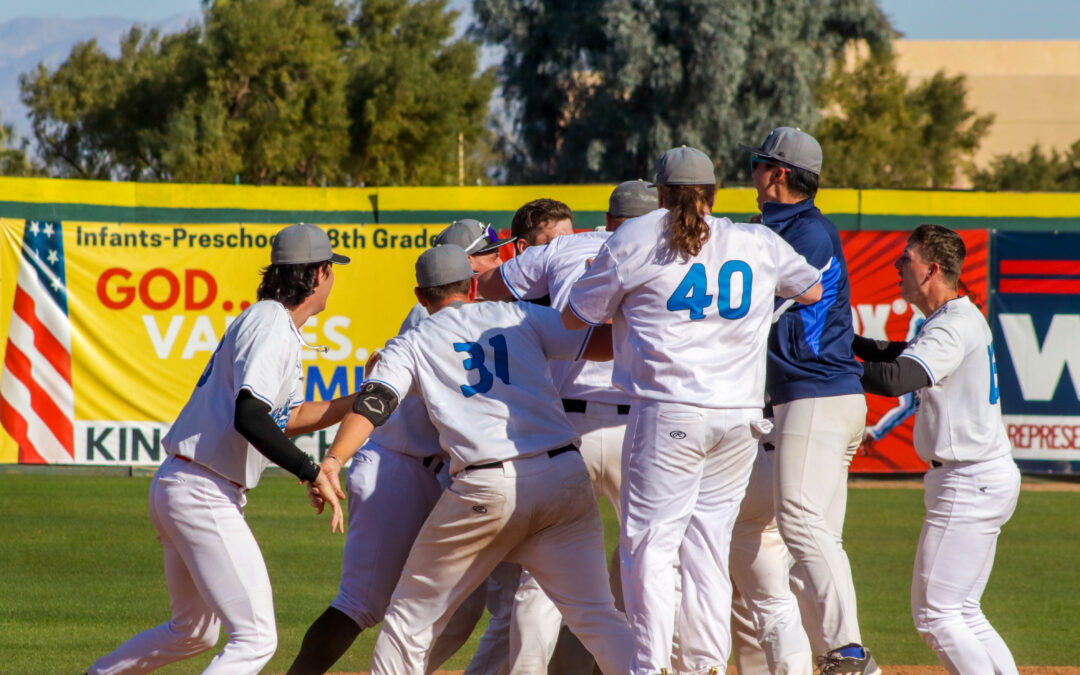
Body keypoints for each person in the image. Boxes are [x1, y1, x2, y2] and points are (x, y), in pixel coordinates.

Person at [563, 146, 823, 675]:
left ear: (660, 193)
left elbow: (575, 316)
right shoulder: (755, 240)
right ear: (713, 192)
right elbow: (814, 289)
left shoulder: (637, 237)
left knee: (651, 546)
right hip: (739, 415)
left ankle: (651, 666)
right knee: (708, 544)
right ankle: (703, 666)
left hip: (669, 411)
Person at [314, 244, 633, 675]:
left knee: (409, 621)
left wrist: (334, 460)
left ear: (420, 295)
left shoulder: (414, 340)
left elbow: (376, 401)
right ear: (472, 286)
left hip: (487, 484)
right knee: (598, 617)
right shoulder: (518, 315)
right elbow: (601, 343)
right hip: (563, 475)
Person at [88, 223, 353, 675]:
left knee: (194, 630)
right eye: (331, 270)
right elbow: (249, 417)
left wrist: (358, 400)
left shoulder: (272, 323)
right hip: (202, 490)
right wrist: (311, 471)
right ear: (320, 274)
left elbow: (281, 420)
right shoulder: (271, 323)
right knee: (255, 638)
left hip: (184, 481)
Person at [286, 219, 514, 675]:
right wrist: (335, 460)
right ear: (466, 265)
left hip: (444, 474)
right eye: (491, 253)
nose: (501, 258)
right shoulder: (435, 315)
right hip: (396, 464)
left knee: (464, 605)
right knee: (362, 601)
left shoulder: (479, 308)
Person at [476, 180, 659, 673]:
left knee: (543, 576)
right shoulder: (674, 251)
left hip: (566, 427)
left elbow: (490, 288)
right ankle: (651, 664)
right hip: (636, 427)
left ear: (608, 217)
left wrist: (542, 301)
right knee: (650, 560)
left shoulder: (566, 245)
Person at [739, 127, 877, 673]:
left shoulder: (807, 232)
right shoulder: (780, 227)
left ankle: (847, 649)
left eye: (755, 162)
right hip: (816, 398)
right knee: (801, 542)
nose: (749, 172)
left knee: (797, 520)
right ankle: (835, 659)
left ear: (777, 173)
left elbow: (759, 309)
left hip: (815, 394)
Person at [854, 224, 1020, 675]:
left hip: (968, 480)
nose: (896, 265)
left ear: (931, 269)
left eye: (904, 259)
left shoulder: (953, 326)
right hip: (982, 474)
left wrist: (828, 368)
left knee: (935, 615)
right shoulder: (956, 318)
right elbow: (896, 353)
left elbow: (895, 379)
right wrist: (844, 342)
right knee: (965, 612)